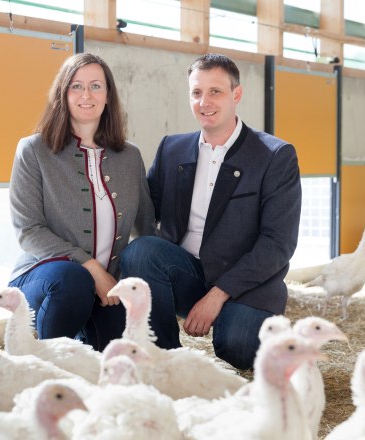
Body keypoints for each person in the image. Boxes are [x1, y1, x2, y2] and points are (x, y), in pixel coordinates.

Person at [120, 53, 302, 369]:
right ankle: (167, 359)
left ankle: (268, 338)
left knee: (239, 349)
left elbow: (278, 244)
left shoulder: (274, 155)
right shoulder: (171, 149)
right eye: (196, 92)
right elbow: (143, 209)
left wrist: (217, 296)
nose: (205, 101)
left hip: (247, 283)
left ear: (237, 94)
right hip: (186, 272)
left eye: (215, 91)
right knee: (142, 251)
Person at [8, 53, 155, 352]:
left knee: (114, 359)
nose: (86, 95)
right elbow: (28, 231)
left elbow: (146, 230)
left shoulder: (130, 157)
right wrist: (91, 268)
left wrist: (123, 282)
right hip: (46, 278)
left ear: (108, 95)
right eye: (76, 86)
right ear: (62, 93)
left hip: (109, 286)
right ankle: (51, 366)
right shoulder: (33, 150)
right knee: (73, 280)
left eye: (96, 86)